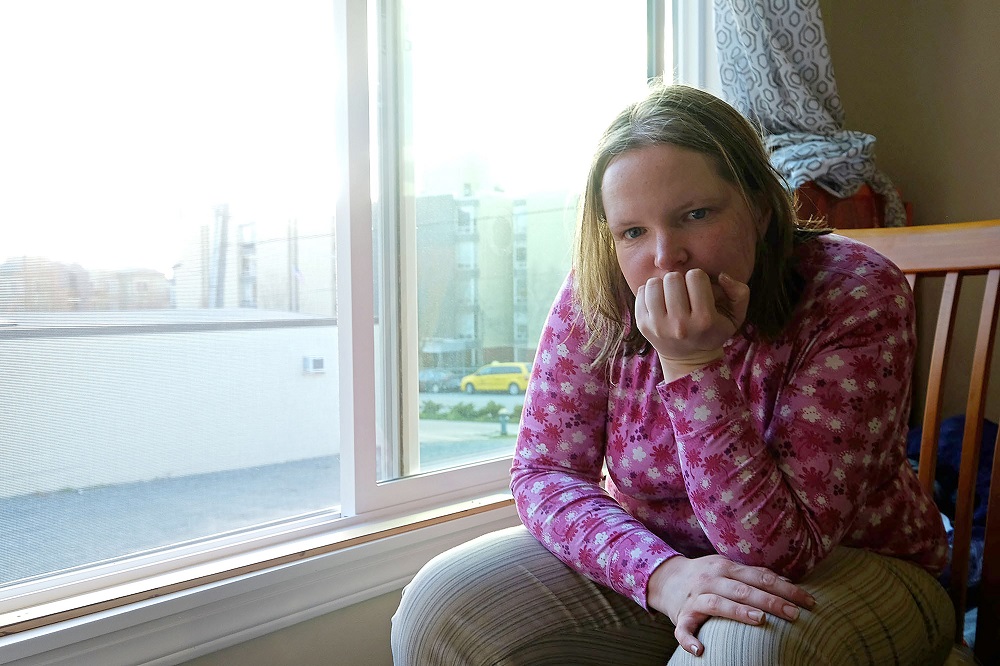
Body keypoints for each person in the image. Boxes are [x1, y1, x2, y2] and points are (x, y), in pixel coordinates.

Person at [391, 84, 955, 665]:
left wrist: (693, 366)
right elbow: (544, 472)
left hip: (852, 566)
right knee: (440, 608)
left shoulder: (856, 292)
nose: (666, 256)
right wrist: (661, 576)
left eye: (695, 215)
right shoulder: (598, 293)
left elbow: (779, 552)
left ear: (759, 209)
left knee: (738, 650)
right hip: (669, 563)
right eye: (633, 231)